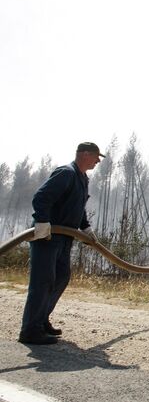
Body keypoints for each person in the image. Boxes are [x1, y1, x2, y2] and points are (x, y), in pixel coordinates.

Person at [19, 142, 103, 345]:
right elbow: (41, 197)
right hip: (48, 236)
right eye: (95, 156)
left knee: (62, 277)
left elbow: (78, 207)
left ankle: (40, 320)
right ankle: (30, 330)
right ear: (84, 154)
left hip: (65, 238)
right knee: (43, 281)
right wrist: (42, 221)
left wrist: (86, 227)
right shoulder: (66, 173)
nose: (98, 161)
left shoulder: (82, 178)